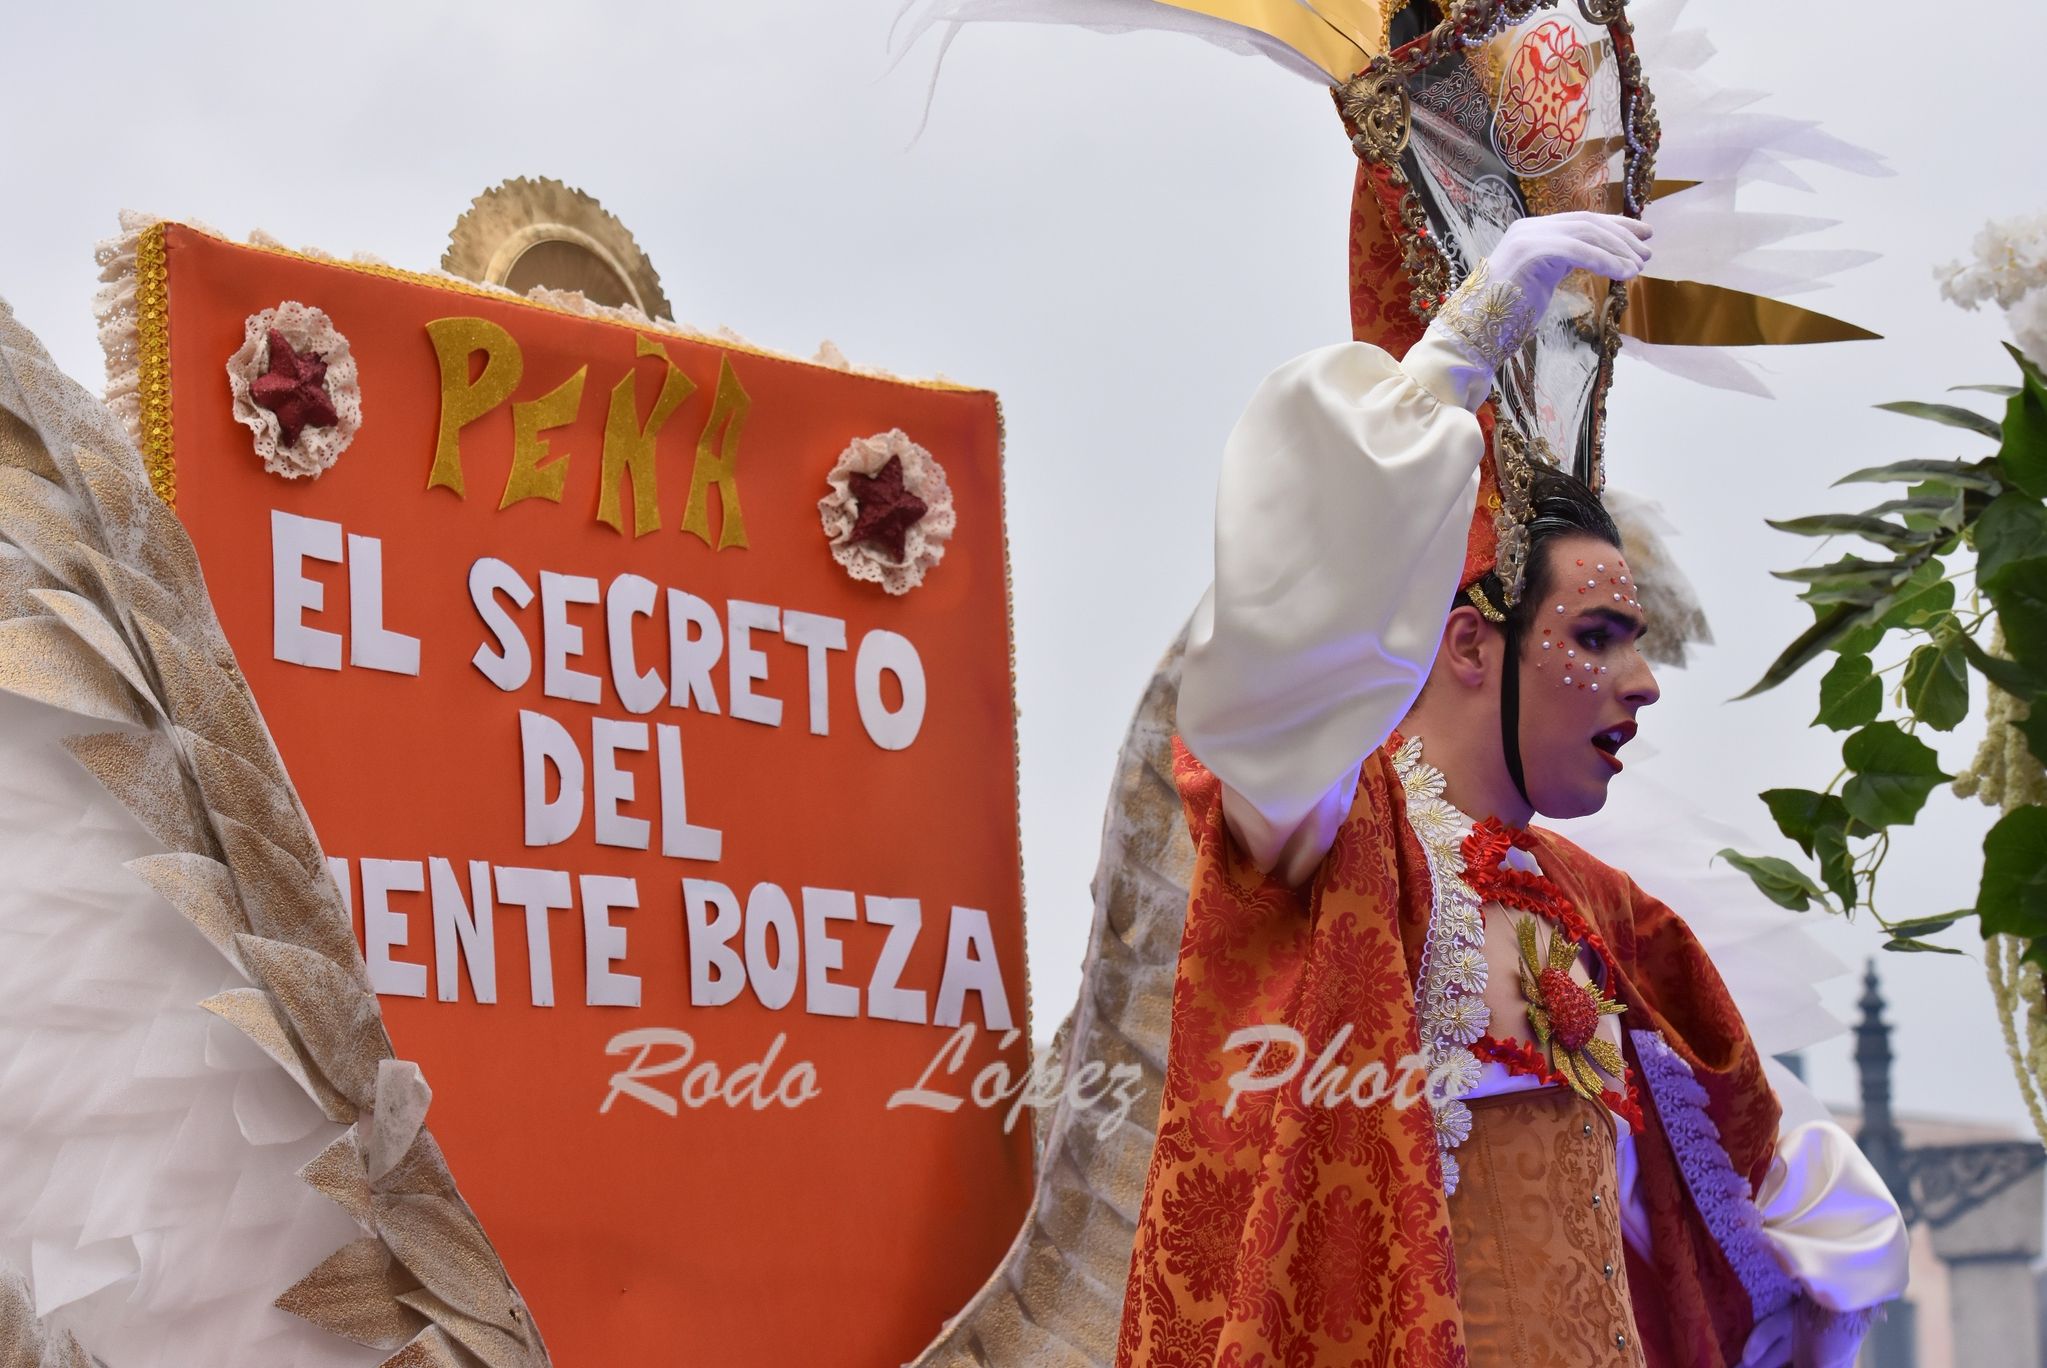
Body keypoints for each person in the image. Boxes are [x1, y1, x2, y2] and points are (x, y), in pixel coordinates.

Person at [1117, 213, 1910, 1368]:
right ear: (1465, 644)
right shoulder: (1326, 841)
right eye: (1596, 634)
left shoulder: (1613, 923)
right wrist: (1458, 346)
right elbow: (1287, 659)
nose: (1639, 683)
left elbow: (1781, 1200)